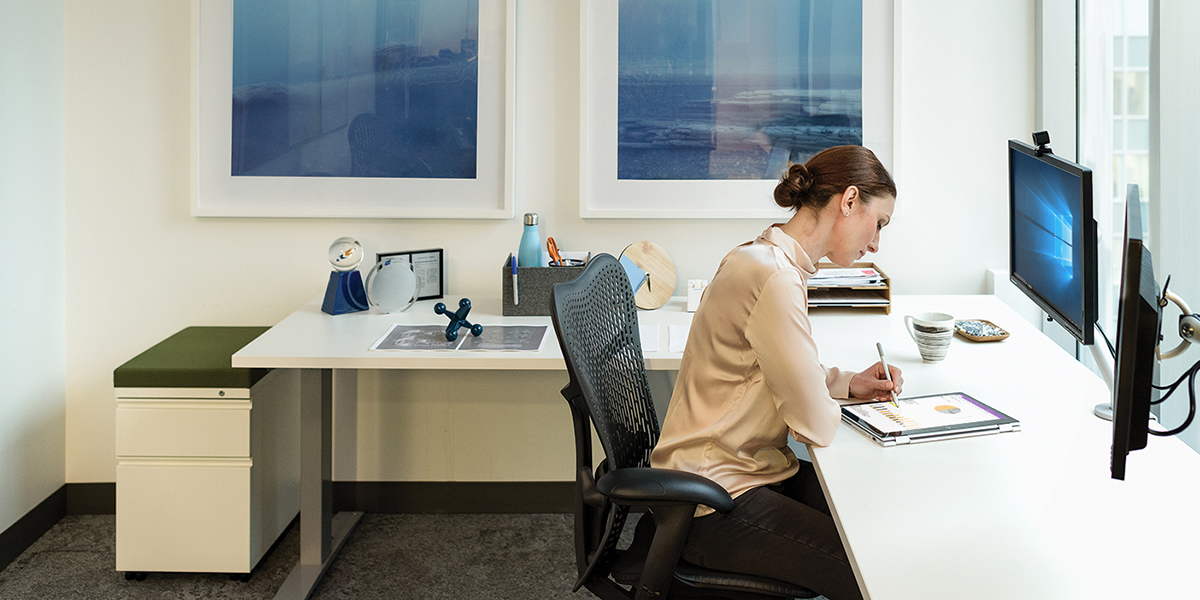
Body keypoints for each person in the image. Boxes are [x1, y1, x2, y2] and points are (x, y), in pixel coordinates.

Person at [650, 145, 902, 600]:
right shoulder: (775, 278)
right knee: (874, 572)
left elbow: (765, 371)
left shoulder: (764, 257)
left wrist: (846, 382)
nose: (876, 243)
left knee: (877, 527)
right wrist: (827, 399)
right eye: (879, 222)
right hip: (712, 498)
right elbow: (815, 424)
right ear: (848, 201)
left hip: (739, 473)